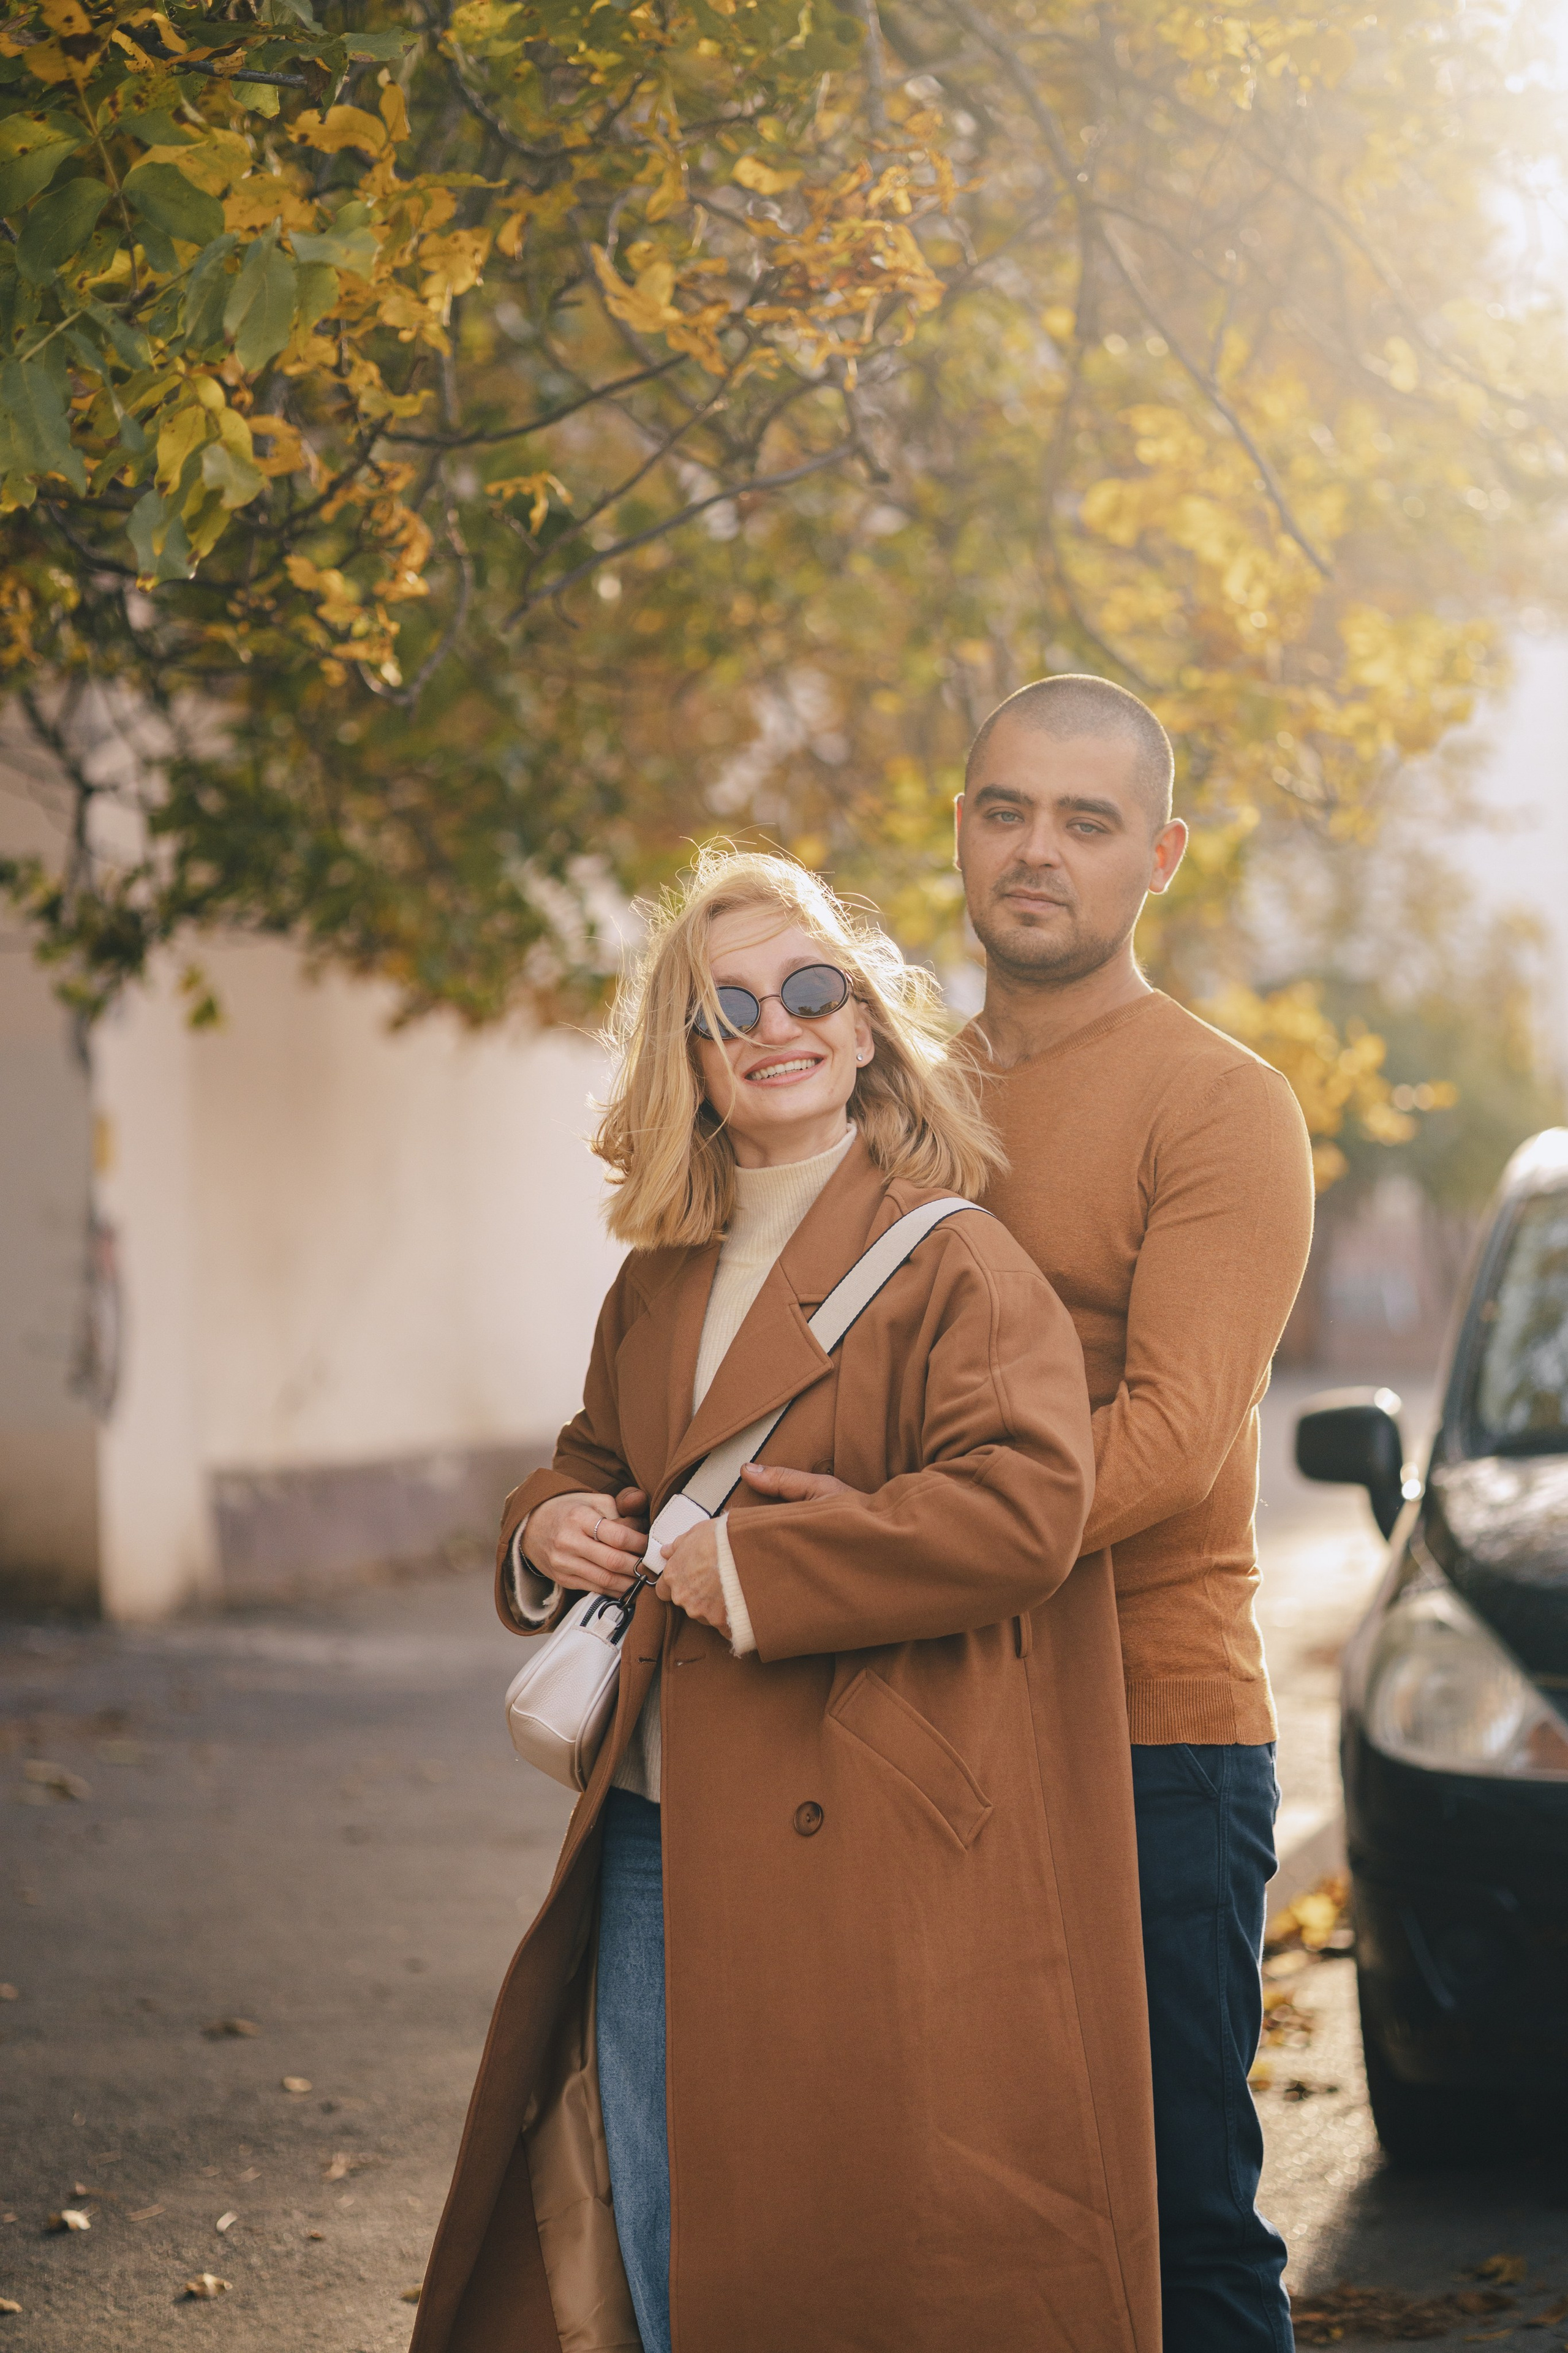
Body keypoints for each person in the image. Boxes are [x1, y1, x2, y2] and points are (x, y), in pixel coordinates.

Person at [410, 848, 1161, 2353]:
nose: (776, 1023)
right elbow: (594, 1454)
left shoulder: (955, 1258)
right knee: (663, 2217)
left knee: (829, 2238)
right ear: (687, 1057)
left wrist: (758, 1569)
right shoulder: (661, 1270)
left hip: (847, 1814)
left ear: (867, 1021)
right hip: (646, 1814)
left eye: (809, 987)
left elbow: (1026, 1506)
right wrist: (548, 1520)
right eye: (726, 1004)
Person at [948, 674, 1316, 2353]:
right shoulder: (896, 1092)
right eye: (1006, 809)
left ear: (1156, 854)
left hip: (1151, 1739)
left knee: (1176, 2229)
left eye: (1085, 822)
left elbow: (1170, 1436)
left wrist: (886, 1553)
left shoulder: (1215, 1099)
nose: (1038, 851)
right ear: (962, 825)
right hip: (932, 1720)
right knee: (965, 2218)